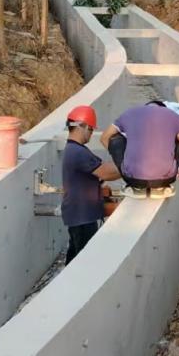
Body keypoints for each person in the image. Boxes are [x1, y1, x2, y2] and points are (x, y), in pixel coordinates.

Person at [101, 100, 179, 196]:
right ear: (162, 108)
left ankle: (135, 182)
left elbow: (105, 138)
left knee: (115, 139)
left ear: (146, 106)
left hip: (132, 178)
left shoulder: (129, 113)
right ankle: (163, 178)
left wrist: (120, 160)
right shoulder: (174, 116)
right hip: (166, 178)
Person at [61, 105, 120, 263]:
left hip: (78, 214)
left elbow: (98, 175)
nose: (91, 133)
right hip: (82, 216)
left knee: (74, 258)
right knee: (84, 261)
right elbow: (106, 172)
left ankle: (66, 285)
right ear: (82, 127)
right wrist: (130, 166)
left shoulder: (75, 150)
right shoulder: (78, 152)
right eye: (91, 129)